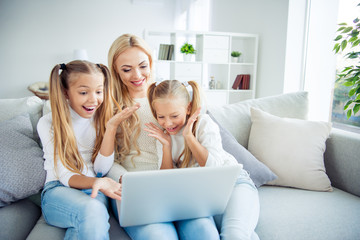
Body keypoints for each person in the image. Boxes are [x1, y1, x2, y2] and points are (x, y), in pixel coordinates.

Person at [107, 34, 219, 240]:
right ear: (115, 70)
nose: (137, 75)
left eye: (142, 65)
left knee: (205, 233)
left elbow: (201, 137)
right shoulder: (109, 104)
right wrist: (124, 179)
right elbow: (106, 158)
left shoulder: (168, 95)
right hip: (136, 186)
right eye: (126, 69)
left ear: (151, 62)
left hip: (174, 184)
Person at [144, 79, 260, 240]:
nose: (167, 123)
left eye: (174, 115)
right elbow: (168, 183)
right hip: (203, 196)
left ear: (188, 108)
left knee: (234, 234)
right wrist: (166, 146)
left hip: (233, 183)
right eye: (161, 116)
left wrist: (189, 138)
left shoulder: (204, 123)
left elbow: (214, 170)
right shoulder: (164, 136)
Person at [37, 60, 139, 240]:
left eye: (99, 91)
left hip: (94, 188)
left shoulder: (101, 119)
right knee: (92, 209)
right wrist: (97, 182)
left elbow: (100, 169)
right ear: (66, 92)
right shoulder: (49, 123)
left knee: (88, 219)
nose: (93, 99)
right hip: (58, 189)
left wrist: (111, 129)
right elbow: (65, 175)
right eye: (84, 92)